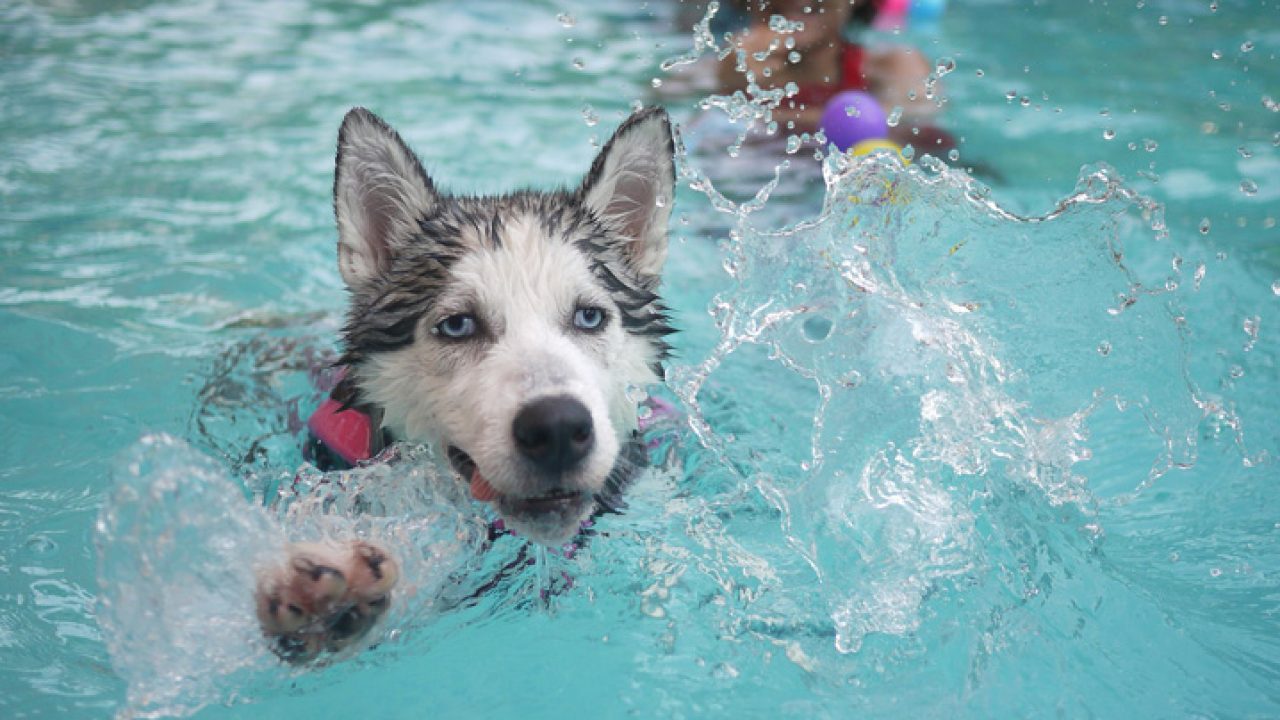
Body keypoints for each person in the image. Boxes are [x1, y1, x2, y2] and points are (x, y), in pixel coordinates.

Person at [715, 0, 952, 152]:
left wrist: (756, 117)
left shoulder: (892, 67)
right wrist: (729, 85)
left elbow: (917, 128)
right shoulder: (724, 68)